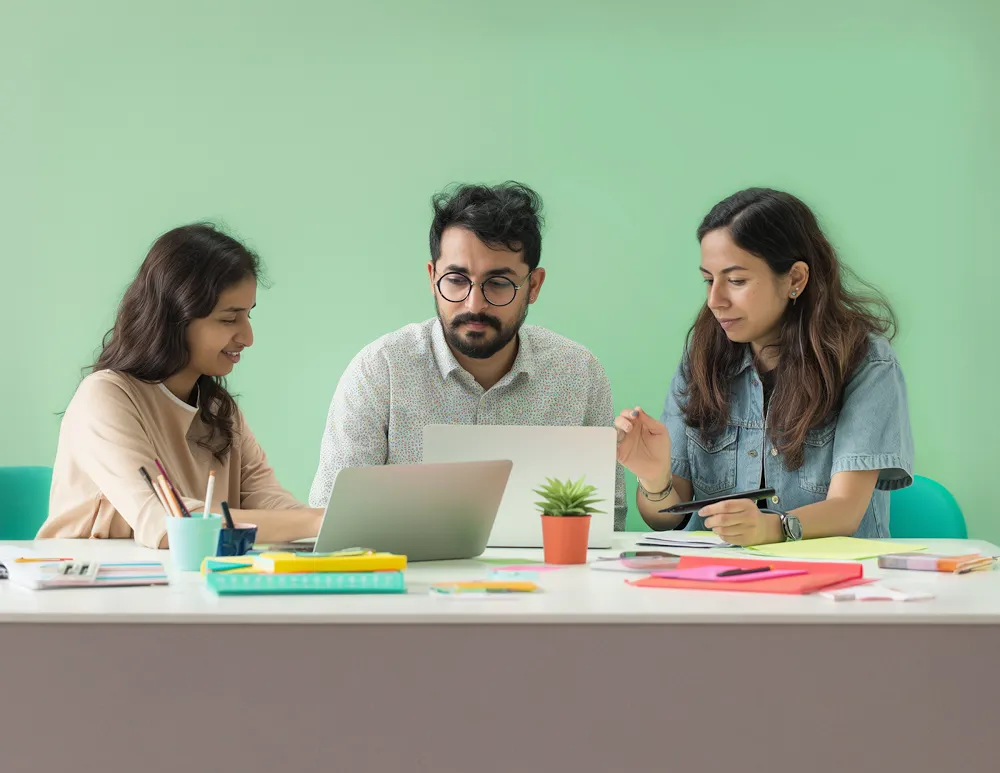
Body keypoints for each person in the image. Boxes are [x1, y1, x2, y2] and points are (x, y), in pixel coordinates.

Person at [310, 181, 626, 528]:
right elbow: (331, 519)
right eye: (457, 280)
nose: (475, 304)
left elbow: (607, 523)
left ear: (533, 286)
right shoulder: (381, 370)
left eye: (499, 283)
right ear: (432, 277)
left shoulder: (579, 373)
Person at [615, 188, 913, 545]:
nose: (715, 300)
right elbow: (663, 521)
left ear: (796, 279)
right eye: (709, 280)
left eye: (737, 281)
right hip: (715, 582)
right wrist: (655, 480)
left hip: (833, 586)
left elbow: (846, 509)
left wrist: (772, 527)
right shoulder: (702, 356)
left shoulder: (865, 362)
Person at [38, 224, 324, 549]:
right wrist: (314, 521)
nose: (247, 337)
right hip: (90, 592)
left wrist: (331, 521)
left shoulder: (220, 411)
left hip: (181, 590)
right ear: (176, 317)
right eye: (229, 319)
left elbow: (268, 502)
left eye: (248, 316)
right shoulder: (105, 397)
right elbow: (167, 522)